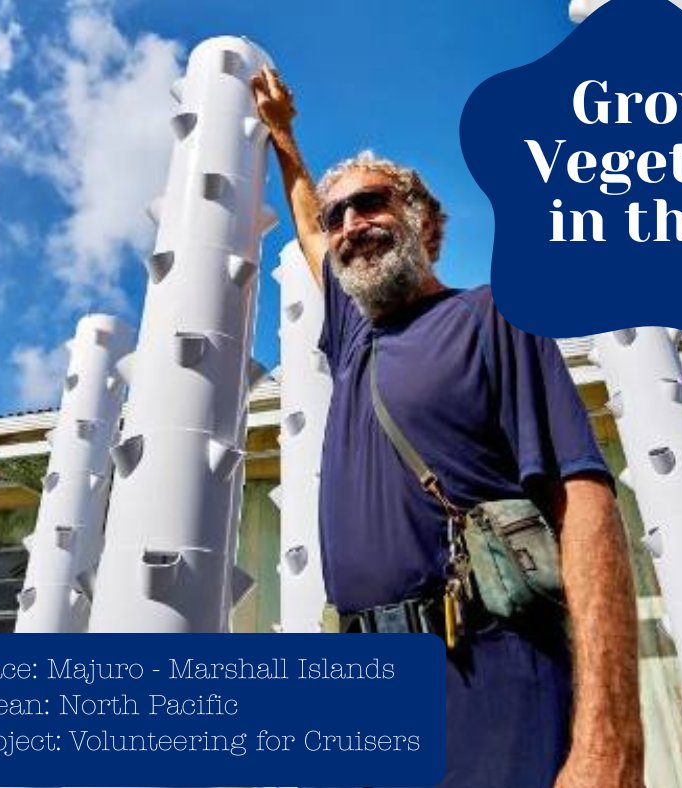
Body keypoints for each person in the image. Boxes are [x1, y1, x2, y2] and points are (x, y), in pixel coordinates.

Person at [251, 66, 644, 788]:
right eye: (339, 217)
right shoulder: (351, 337)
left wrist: (610, 742)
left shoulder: (495, 315)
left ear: (421, 220)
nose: (347, 227)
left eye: (368, 205)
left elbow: (584, 504)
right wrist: (283, 135)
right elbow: (307, 221)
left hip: (491, 675)